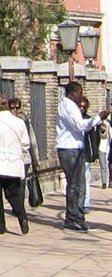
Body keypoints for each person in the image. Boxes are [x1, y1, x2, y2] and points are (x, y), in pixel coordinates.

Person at [55, 81, 108, 232]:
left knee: (80, 185)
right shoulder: (67, 106)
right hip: (68, 149)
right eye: (79, 92)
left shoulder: (72, 106)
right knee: (74, 185)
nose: (81, 96)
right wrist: (98, 118)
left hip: (76, 148)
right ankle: (71, 218)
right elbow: (80, 125)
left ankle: (79, 216)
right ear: (72, 93)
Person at [0, 94, 30, 234]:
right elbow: (25, 144)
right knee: (13, 194)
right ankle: (21, 215)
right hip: (15, 162)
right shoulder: (19, 122)